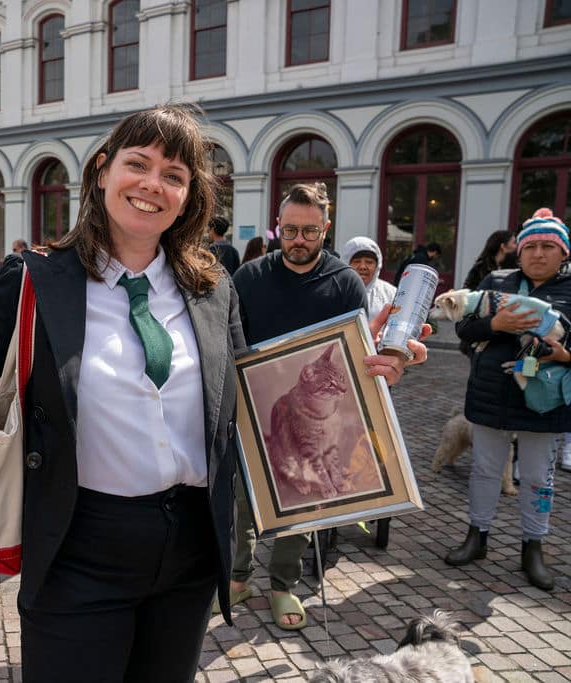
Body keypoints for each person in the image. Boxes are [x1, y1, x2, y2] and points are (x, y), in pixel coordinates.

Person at [0, 106, 424, 681]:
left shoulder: (215, 288)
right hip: (80, 549)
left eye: (174, 174)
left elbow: (252, 401)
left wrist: (362, 373)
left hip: (191, 547)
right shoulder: (34, 281)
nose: (152, 184)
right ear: (102, 169)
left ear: (189, 196)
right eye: (139, 163)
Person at [231, 183, 426, 632]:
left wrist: (390, 356)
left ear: (326, 229)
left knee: (302, 498)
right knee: (244, 499)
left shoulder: (343, 283)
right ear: (278, 227)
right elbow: (229, 341)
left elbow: (359, 355)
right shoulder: (250, 277)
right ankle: (239, 576)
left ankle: (283, 585)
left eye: (310, 231)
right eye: (290, 230)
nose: (298, 240)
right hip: (254, 410)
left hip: (318, 418)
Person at [444, 210, 571, 591]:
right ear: (519, 250)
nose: (538, 253)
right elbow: (464, 327)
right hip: (492, 394)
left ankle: (533, 546)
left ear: (563, 252)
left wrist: (564, 355)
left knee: (537, 478)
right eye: (531, 245)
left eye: (548, 246)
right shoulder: (496, 281)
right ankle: (476, 536)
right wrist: (495, 325)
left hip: (545, 399)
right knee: (485, 470)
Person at [341, 236, 397, 317]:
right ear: (346, 263)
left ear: (377, 265)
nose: (363, 267)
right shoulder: (336, 292)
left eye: (369, 262)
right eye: (356, 261)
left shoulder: (391, 293)